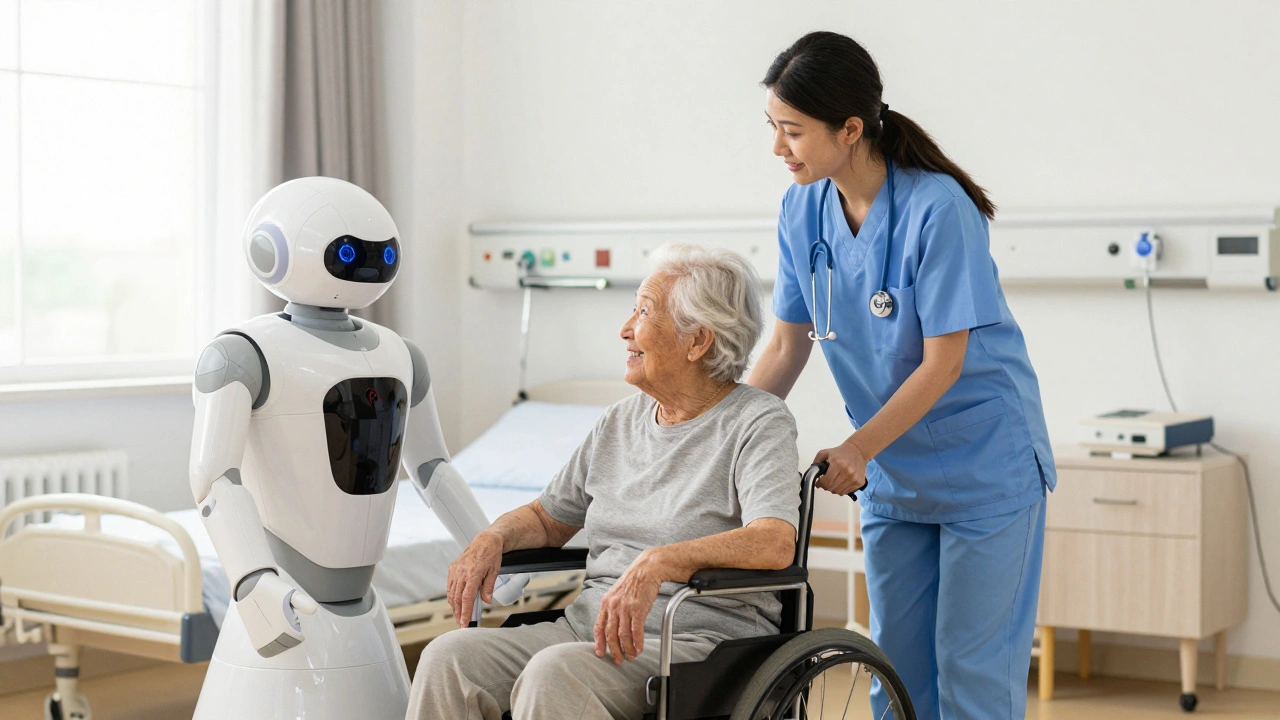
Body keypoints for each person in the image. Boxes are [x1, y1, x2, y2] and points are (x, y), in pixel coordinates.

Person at [748, 31, 1055, 720]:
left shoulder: (937, 208)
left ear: (849, 128)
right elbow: (784, 349)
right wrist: (719, 432)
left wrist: (858, 448)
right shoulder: (803, 211)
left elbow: (943, 362)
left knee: (972, 676)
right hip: (893, 472)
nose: (778, 149)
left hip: (986, 470)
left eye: (792, 131)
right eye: (773, 128)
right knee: (899, 676)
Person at [406, 244, 801, 720]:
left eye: (644, 311)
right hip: (588, 630)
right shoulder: (618, 422)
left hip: (699, 644)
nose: (625, 329)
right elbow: (546, 518)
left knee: (555, 673)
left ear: (698, 341)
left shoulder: (757, 421)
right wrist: (492, 536)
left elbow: (774, 541)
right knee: (448, 659)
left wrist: (661, 562)